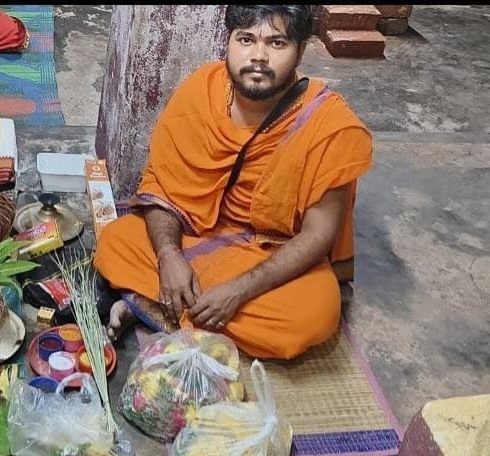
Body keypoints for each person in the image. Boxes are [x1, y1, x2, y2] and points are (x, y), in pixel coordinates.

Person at [93, 5, 373, 360]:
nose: (258, 56)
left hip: (271, 250)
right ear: (229, 42)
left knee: (314, 314)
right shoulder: (202, 91)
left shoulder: (328, 123)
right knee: (116, 241)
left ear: (300, 50)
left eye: (277, 43)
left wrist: (239, 291)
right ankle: (189, 311)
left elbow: (318, 235)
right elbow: (163, 188)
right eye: (246, 39)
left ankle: (154, 306)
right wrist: (168, 256)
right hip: (199, 232)